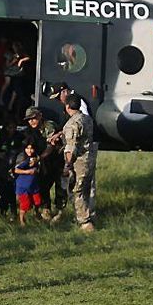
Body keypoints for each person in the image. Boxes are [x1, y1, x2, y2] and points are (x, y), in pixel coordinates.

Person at [63, 94, 96, 232]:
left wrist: (68, 165)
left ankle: (85, 222)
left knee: (77, 190)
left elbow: (71, 147)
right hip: (89, 160)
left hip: (79, 162)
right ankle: (89, 215)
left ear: (67, 106)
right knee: (86, 189)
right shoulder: (87, 119)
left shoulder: (72, 124)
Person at [0, 115, 25, 220]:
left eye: (14, 127)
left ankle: (13, 213)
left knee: (11, 191)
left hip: (13, 167)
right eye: (10, 127)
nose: (12, 130)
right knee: (3, 191)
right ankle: (2, 210)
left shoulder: (19, 136)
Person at [13, 143, 44, 226]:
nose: (29, 150)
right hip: (23, 185)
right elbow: (15, 170)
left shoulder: (36, 157)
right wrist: (27, 172)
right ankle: (22, 221)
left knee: (37, 201)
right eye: (27, 148)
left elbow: (39, 168)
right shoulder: (22, 157)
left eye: (31, 148)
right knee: (25, 204)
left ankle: (37, 216)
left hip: (34, 184)